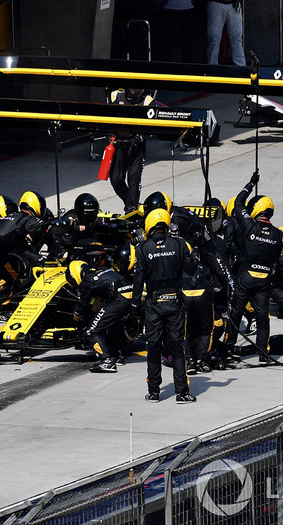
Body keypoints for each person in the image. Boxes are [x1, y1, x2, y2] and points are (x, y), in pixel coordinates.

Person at [132, 208, 197, 403]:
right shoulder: (179, 244)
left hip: (153, 303)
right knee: (177, 346)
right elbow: (192, 269)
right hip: (174, 302)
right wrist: (193, 250)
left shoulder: (143, 248)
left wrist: (136, 303)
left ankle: (153, 392)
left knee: (153, 346)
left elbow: (138, 279)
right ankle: (182, 392)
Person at [223, 175, 283, 365]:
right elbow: (276, 259)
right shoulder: (278, 234)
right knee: (262, 316)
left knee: (235, 313)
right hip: (264, 280)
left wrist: (250, 184)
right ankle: (263, 355)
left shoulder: (249, 225)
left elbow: (239, 202)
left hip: (245, 277)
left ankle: (229, 350)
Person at [0, 191, 49, 295]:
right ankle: (7, 306)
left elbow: (21, 246)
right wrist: (70, 225)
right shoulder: (27, 218)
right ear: (37, 205)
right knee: (17, 281)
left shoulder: (7, 218)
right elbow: (48, 228)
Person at [66, 260, 133, 373]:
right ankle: (117, 356)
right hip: (130, 296)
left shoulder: (86, 282)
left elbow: (80, 307)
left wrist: (76, 320)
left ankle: (107, 361)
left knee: (92, 331)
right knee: (112, 325)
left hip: (118, 300)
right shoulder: (102, 270)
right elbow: (98, 303)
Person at [106, 88, 155, 213]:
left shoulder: (147, 101)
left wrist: (139, 137)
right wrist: (109, 132)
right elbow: (106, 117)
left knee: (134, 179)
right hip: (118, 144)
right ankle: (132, 203)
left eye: (136, 89)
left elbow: (152, 126)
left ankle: (131, 209)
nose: (133, 91)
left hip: (136, 145)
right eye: (131, 88)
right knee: (116, 180)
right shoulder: (115, 96)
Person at [207, 0, 246, 66]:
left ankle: (240, 68)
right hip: (217, 4)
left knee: (237, 40)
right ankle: (212, 68)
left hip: (233, 4)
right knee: (214, 40)